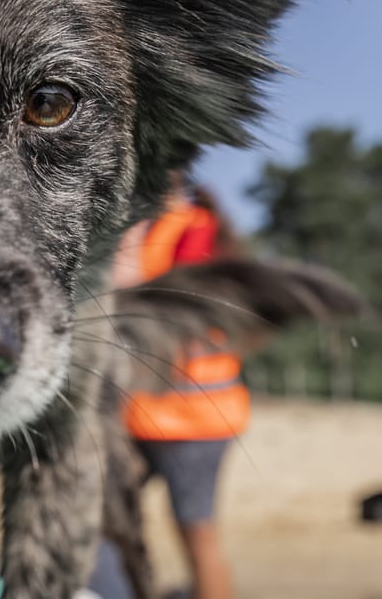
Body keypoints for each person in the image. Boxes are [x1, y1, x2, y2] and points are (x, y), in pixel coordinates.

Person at [106, 175, 245, 599]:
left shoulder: (193, 227)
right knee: (108, 521)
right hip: (144, 416)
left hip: (196, 419)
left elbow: (169, 297)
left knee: (197, 536)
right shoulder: (149, 228)